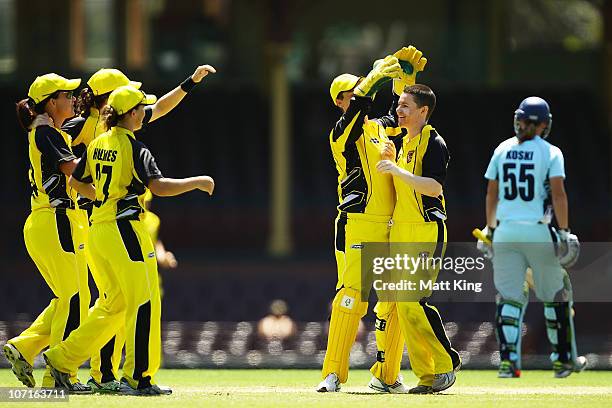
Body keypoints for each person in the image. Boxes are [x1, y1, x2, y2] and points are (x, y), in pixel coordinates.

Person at [42, 85, 215, 395]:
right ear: (133, 113)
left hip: (99, 230)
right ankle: (138, 377)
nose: (144, 113)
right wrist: (197, 183)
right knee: (144, 301)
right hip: (125, 230)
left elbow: (76, 182)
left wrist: (106, 199)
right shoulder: (136, 148)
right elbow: (158, 187)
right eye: (141, 109)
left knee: (113, 305)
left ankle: (61, 358)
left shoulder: (97, 144)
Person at [318, 48, 430, 393]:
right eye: (349, 94)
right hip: (359, 221)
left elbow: (405, 116)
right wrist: (373, 78)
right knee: (352, 297)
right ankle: (333, 373)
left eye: (357, 90)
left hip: (393, 222)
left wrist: (405, 79)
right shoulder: (341, 133)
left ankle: (386, 374)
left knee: (395, 298)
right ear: (340, 102)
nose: (356, 95)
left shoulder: (383, 130)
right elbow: (362, 108)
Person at [482, 96, 587, 378]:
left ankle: (507, 363)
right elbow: (559, 194)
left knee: (509, 298)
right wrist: (564, 232)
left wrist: (490, 229)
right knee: (557, 294)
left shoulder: (502, 149)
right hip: (538, 231)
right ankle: (564, 360)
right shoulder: (551, 152)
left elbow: (492, 193)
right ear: (544, 124)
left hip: (504, 231)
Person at [3, 73, 91, 393]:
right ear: (51, 102)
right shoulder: (45, 131)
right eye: (66, 95)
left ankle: (25, 347)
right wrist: (108, 179)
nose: (71, 99)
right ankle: (59, 376)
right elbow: (71, 169)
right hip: (57, 220)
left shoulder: (48, 130)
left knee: (70, 298)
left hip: (47, 221)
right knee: (75, 298)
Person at [376, 84, 461, 393]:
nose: (399, 111)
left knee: (414, 301)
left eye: (406, 106)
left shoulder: (433, 142)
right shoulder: (404, 142)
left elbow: (434, 188)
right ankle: (428, 377)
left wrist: (397, 170)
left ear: (423, 111)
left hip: (426, 231)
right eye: (398, 105)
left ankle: (446, 363)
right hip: (402, 231)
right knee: (403, 305)